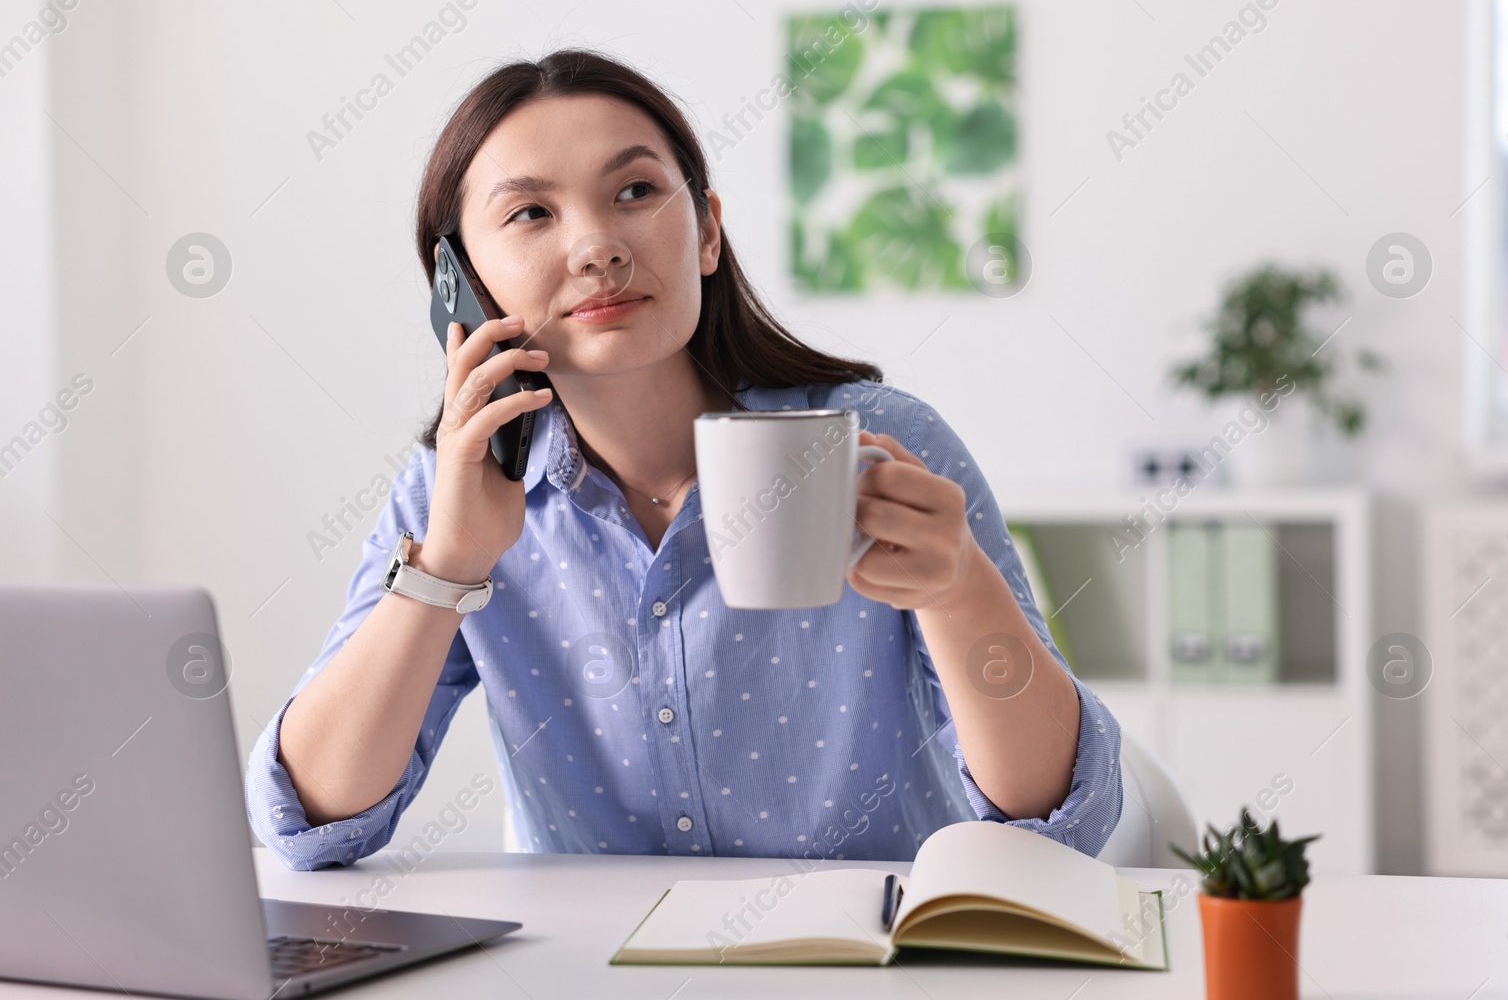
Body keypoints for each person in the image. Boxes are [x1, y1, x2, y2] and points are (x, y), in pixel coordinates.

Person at [244, 49, 1122, 869]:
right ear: (460, 283)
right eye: (531, 212)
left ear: (706, 232)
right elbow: (308, 821)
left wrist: (957, 589)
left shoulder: (884, 444)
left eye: (633, 190)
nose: (596, 246)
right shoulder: (452, 490)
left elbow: (1059, 815)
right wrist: (445, 569)